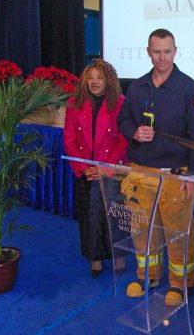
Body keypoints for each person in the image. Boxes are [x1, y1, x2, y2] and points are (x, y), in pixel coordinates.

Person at [117, 28, 194, 306]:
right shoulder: (138, 86)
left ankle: (180, 283)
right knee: (142, 230)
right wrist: (134, 132)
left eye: (167, 51)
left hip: (175, 173)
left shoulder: (189, 88)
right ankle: (148, 275)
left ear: (175, 51)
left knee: (177, 233)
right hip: (140, 171)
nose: (162, 57)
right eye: (157, 52)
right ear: (148, 52)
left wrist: (192, 173)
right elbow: (123, 120)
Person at [64, 59, 128, 278]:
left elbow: (124, 139)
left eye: (99, 77)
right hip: (87, 173)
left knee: (115, 217)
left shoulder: (120, 103)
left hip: (111, 170)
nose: (94, 82)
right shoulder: (74, 103)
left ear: (108, 80)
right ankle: (96, 259)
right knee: (89, 217)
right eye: (90, 77)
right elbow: (70, 140)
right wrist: (83, 168)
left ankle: (118, 256)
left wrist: (106, 168)